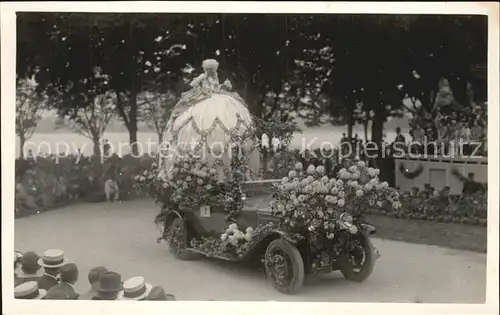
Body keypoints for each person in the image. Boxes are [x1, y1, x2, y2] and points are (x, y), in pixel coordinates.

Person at [161, 58, 260, 181]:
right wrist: (199, 86)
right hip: (204, 96)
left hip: (217, 97)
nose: (210, 72)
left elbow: (216, 86)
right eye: (209, 70)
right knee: (200, 122)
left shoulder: (216, 76)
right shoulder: (203, 77)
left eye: (212, 70)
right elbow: (193, 84)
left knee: (228, 119)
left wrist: (223, 86)